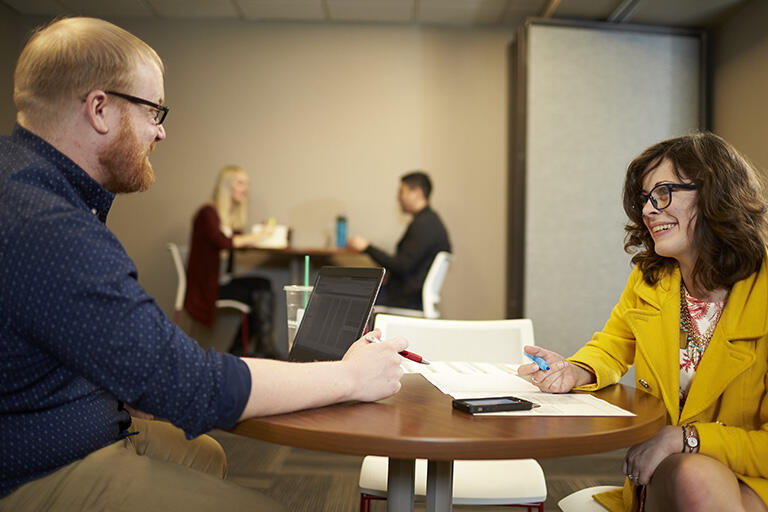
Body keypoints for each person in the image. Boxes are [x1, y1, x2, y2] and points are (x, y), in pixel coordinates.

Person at [0, 17, 406, 511]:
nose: (161, 131)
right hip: (36, 466)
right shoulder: (48, 223)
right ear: (100, 109)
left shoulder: (31, 186)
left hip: (68, 419)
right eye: (154, 111)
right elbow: (188, 387)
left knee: (205, 455)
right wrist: (350, 377)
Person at [518, 132, 768, 512]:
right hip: (675, 474)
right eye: (646, 198)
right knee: (692, 476)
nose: (649, 210)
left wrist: (686, 438)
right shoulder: (652, 279)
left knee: (697, 477)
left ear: (716, 192)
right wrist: (576, 369)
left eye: (664, 193)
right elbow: (614, 343)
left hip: (754, 472)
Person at [185, 164, 275, 357]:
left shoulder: (224, 218)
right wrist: (258, 237)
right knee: (257, 294)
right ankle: (252, 350)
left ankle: (247, 349)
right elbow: (223, 242)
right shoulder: (207, 213)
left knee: (263, 285)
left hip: (222, 281)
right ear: (227, 186)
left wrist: (258, 233)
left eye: (247, 184)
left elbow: (235, 241)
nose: (246, 189)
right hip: (207, 287)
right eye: (240, 183)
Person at [348, 171, 451, 309]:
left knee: (351, 295)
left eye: (402, 191)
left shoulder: (424, 225)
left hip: (405, 300)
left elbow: (401, 266)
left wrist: (367, 248)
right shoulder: (429, 222)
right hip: (407, 296)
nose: (398, 197)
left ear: (417, 193)